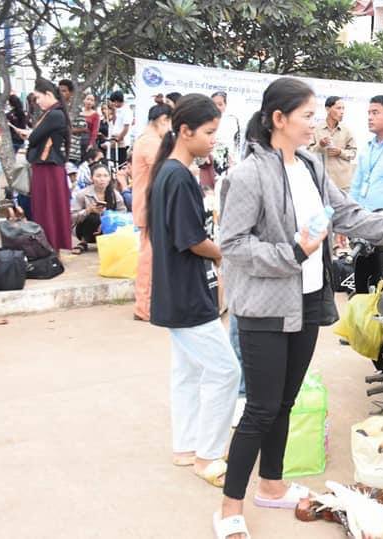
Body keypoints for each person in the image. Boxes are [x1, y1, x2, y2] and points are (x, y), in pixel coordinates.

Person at [215, 77, 383, 539]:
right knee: (260, 409)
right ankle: (228, 508)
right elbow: (233, 245)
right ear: (278, 119)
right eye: (307, 116)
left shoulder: (310, 167)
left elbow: (350, 215)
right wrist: (293, 252)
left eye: (316, 115)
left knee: (285, 401)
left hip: (305, 301)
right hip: (263, 307)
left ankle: (272, 486)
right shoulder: (248, 176)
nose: (315, 124)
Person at [146, 93, 240, 492]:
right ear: (185, 131)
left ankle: (186, 447)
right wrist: (227, 254)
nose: (213, 140)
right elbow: (192, 239)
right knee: (226, 370)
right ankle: (208, 455)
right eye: (209, 132)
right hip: (186, 293)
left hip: (176, 290)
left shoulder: (169, 173)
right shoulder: (179, 177)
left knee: (187, 373)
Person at [15, 78, 72, 251]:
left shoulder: (54, 114)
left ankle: (50, 247)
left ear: (48, 94)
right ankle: (51, 247)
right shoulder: (54, 113)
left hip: (48, 167)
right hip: (47, 166)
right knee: (48, 208)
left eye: (38, 97)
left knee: (47, 209)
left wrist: (28, 134)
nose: (37, 102)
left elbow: (34, 138)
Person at [130, 103, 172, 322]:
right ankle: (144, 306)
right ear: (163, 120)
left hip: (150, 204)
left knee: (152, 257)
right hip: (149, 206)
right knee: (149, 258)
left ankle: (148, 303)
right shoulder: (150, 141)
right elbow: (164, 168)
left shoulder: (148, 140)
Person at [70, 162, 127, 253]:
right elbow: (71, 217)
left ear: (109, 178)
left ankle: (108, 242)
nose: (102, 179)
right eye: (98, 176)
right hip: (84, 229)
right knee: (93, 217)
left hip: (106, 230)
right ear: (91, 178)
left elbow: (122, 214)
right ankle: (83, 242)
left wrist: (106, 223)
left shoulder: (115, 195)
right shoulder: (83, 194)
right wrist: (87, 211)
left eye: (105, 176)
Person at [307, 96, 357, 193]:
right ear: (327, 109)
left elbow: (353, 153)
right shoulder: (315, 130)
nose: (342, 112)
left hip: (342, 184)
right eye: (338, 108)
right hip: (321, 182)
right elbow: (308, 153)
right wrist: (320, 145)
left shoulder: (346, 131)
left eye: (343, 108)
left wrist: (340, 152)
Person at [211, 91, 242, 175]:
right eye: (214, 104)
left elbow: (236, 143)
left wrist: (234, 160)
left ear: (225, 105)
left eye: (220, 104)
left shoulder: (232, 120)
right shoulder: (205, 120)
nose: (217, 107)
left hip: (229, 160)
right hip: (210, 159)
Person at [59, 79, 88, 165]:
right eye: (59, 91)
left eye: (64, 91)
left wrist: (65, 131)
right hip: (57, 152)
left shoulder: (76, 110)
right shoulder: (56, 107)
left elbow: (84, 128)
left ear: (71, 93)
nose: (61, 93)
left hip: (72, 153)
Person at [108, 91, 132, 166]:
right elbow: (114, 122)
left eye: (115, 102)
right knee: (113, 163)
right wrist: (113, 111)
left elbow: (126, 127)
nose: (114, 104)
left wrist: (119, 138)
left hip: (122, 142)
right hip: (114, 140)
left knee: (121, 163)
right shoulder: (116, 109)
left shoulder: (127, 110)